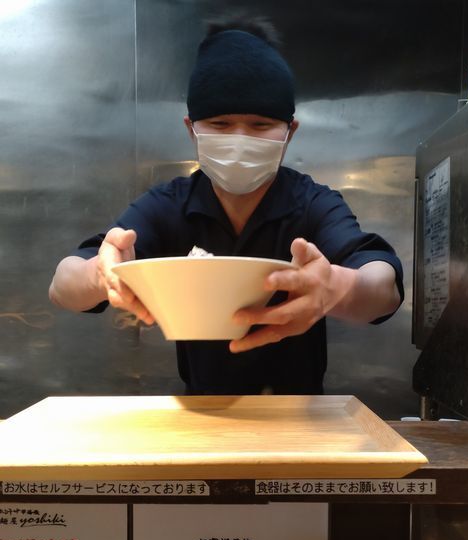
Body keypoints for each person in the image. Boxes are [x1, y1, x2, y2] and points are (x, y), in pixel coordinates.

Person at [49, 17, 403, 395]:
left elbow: (384, 289)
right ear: (192, 129)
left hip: (300, 412)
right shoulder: (167, 205)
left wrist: (338, 286)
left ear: (290, 132)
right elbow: (62, 285)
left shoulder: (313, 202)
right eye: (220, 124)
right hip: (202, 411)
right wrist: (100, 275)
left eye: (260, 124)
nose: (239, 139)